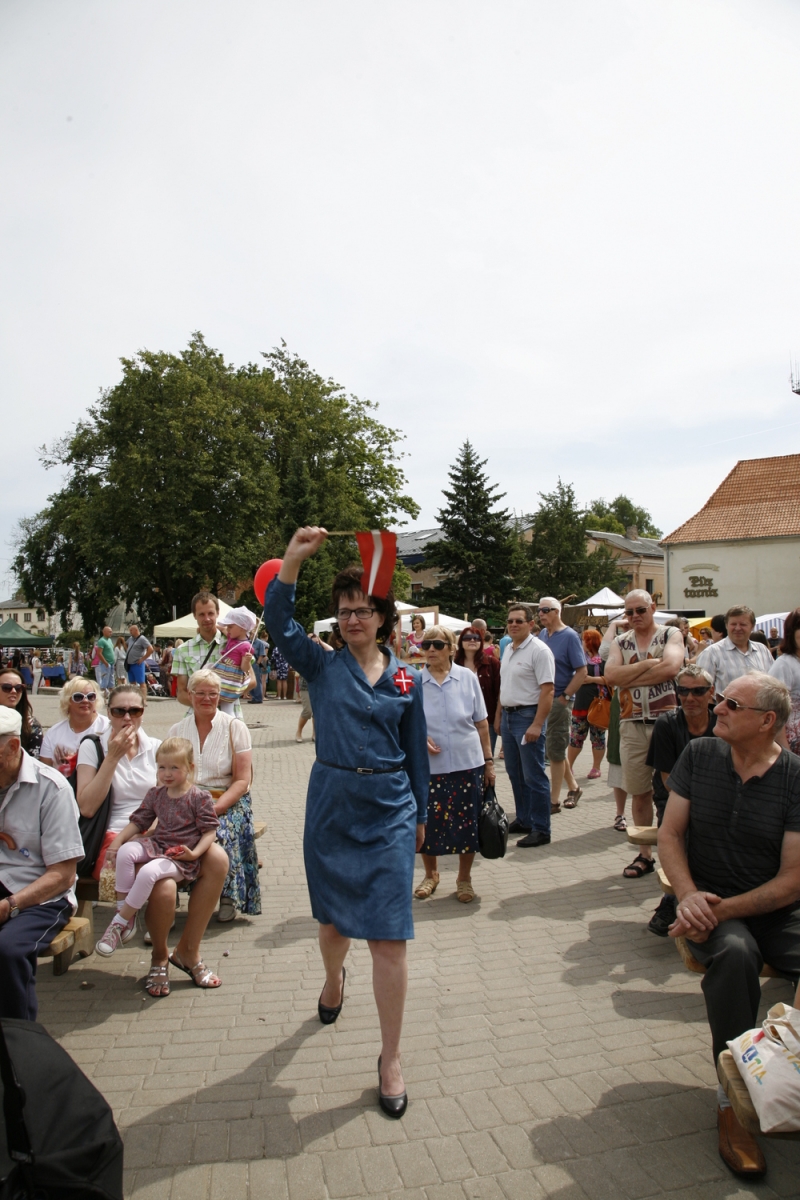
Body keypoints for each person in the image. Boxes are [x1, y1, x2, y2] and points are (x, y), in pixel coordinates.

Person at [263, 527, 429, 1118]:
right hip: (332, 803)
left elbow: (414, 750)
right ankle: (333, 980)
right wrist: (291, 562)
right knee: (334, 928)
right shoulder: (321, 666)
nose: (352, 619)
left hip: (389, 809)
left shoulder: (407, 677)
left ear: (383, 617)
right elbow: (278, 623)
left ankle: (390, 1058)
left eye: (363, 610)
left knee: (389, 938)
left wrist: (422, 817)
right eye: (344, 612)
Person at [658, 672, 800, 1180]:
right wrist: (690, 895)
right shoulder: (700, 756)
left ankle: (787, 1076)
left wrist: (714, 911)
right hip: (713, 902)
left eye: (729, 703)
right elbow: (670, 836)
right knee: (736, 955)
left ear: (766, 722)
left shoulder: (795, 778)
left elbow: (790, 883)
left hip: (770, 910)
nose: (714, 707)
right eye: (717, 699)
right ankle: (733, 1101)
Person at [95, 738, 220, 967]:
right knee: (126, 852)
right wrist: (118, 842)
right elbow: (139, 821)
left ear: (189, 768)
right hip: (158, 844)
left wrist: (194, 854)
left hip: (179, 856)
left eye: (174, 767)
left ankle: (117, 924)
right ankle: (127, 915)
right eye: (162, 767)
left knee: (148, 872)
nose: (167, 773)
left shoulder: (198, 797)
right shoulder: (156, 794)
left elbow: (209, 832)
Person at [0, 708, 84, 1021]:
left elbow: (62, 875)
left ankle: (19, 1046)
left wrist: (9, 905)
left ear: (12, 748)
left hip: (40, 893)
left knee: (7, 951)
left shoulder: (52, 788)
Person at [168, 669, 259, 922]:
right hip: (186, 799)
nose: (206, 699)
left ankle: (227, 895)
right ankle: (167, 895)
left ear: (220, 696)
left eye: (213, 694)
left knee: (222, 831)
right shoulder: (177, 730)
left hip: (227, 800)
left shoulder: (235, 727)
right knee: (166, 832)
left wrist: (216, 808)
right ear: (190, 694)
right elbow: (165, 777)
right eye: (200, 693)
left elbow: (242, 780)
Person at [604, 591, 684, 878]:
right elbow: (610, 676)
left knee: (676, 791)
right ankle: (644, 854)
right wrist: (650, 665)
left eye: (640, 610)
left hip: (668, 722)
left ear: (653, 608)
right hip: (632, 722)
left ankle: (678, 852)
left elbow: (672, 668)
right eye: (629, 612)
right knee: (639, 791)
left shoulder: (670, 634)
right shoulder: (620, 641)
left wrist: (630, 675)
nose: (635, 616)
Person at [415, 626, 494, 903]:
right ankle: (431, 874)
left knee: (467, 824)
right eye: (426, 645)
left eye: (438, 644)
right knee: (428, 823)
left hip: (467, 762)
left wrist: (489, 762)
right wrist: (419, 737)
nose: (431, 650)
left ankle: (464, 879)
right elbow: (405, 724)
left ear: (452, 648)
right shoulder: (414, 682)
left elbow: (482, 723)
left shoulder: (468, 678)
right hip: (429, 767)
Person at [643, 664, 716, 936]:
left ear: (712, 693)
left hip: (716, 799)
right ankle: (672, 899)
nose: (689, 698)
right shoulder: (667, 724)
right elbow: (667, 780)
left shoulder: (722, 723)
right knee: (679, 834)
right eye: (683, 691)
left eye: (698, 691)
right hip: (674, 799)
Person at [75, 683, 162, 888]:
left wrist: (151, 833)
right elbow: (87, 808)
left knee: (214, 859)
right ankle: (127, 919)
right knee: (150, 877)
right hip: (110, 835)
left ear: (143, 712)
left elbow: (165, 802)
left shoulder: (156, 747)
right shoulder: (92, 746)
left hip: (151, 833)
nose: (127, 717)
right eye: (119, 711)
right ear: (108, 713)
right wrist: (112, 757)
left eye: (135, 710)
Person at [495, 604, 555, 847]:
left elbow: (548, 690)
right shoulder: (508, 648)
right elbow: (504, 685)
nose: (513, 624)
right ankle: (524, 818)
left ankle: (542, 828)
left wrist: (537, 724)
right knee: (514, 773)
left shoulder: (540, 651)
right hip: (509, 717)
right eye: (510, 620)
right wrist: (499, 716)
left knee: (534, 775)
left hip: (528, 717)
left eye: (519, 621)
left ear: (531, 624)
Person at [537, 597, 587, 812]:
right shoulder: (542, 635)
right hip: (543, 698)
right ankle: (574, 788)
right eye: (539, 610)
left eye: (546, 610)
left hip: (558, 699)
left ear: (557, 611)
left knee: (556, 749)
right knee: (553, 749)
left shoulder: (569, 636)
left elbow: (582, 671)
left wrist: (565, 696)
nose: (541, 614)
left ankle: (553, 801)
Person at [697, 605, 774, 698]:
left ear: (752, 626)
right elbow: (701, 691)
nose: (737, 628)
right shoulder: (711, 653)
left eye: (743, 624)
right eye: (733, 624)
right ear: (726, 625)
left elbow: (773, 684)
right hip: (726, 711)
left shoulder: (762, 650)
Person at [39, 677, 110, 772]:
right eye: (78, 697)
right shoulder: (53, 733)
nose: (85, 700)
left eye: (91, 696)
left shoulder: (108, 728)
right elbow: (45, 772)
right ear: (67, 701)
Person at [567, 629, 608, 784]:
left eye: (584, 640)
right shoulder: (578, 658)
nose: (581, 643)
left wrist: (592, 679)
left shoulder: (603, 658)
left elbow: (610, 679)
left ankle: (596, 767)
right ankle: (569, 766)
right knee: (576, 737)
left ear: (590, 641)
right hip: (580, 703)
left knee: (598, 738)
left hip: (598, 704)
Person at [455, 626, 501, 754]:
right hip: (460, 720)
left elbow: (500, 693)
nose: (472, 640)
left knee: (486, 756)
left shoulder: (492, 663)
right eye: (467, 638)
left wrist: (498, 717)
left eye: (476, 638)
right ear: (461, 642)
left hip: (487, 719)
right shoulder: (453, 665)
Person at [212, 605, 257, 714]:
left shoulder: (246, 646)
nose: (227, 629)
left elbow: (244, 668)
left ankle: (230, 724)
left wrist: (246, 661)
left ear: (242, 628)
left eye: (230, 626)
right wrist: (211, 626)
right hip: (223, 674)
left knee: (228, 707)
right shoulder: (231, 636)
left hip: (231, 678)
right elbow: (222, 628)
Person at [769, 607, 800, 753]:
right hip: (793, 746)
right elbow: (773, 711)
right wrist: (785, 753)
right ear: (790, 633)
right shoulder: (784, 664)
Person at [0, 666, 43, 759]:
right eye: (7, 687)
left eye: (19, 688)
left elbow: (34, 761)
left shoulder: (31, 725)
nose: (13, 691)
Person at [124, 623, 153, 701]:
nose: (130, 632)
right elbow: (125, 644)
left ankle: (143, 700)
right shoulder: (130, 638)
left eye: (131, 630)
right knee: (132, 683)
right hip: (130, 664)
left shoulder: (142, 639)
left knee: (141, 682)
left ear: (136, 630)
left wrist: (143, 658)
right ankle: (134, 699)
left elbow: (150, 649)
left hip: (137, 664)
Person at [94, 625, 116, 698]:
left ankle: (111, 698)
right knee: (105, 680)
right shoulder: (101, 641)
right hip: (105, 664)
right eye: (109, 632)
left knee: (111, 680)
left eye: (111, 632)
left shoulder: (109, 640)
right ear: (104, 632)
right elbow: (99, 653)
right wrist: (105, 662)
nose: (111, 633)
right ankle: (103, 698)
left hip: (111, 663)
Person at [248, 628, 268, 704]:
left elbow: (262, 654)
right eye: (251, 634)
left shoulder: (260, 643)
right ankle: (253, 696)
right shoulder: (248, 642)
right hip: (248, 664)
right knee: (250, 680)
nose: (252, 635)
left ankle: (258, 698)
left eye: (253, 634)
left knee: (257, 681)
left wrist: (257, 663)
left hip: (255, 664)